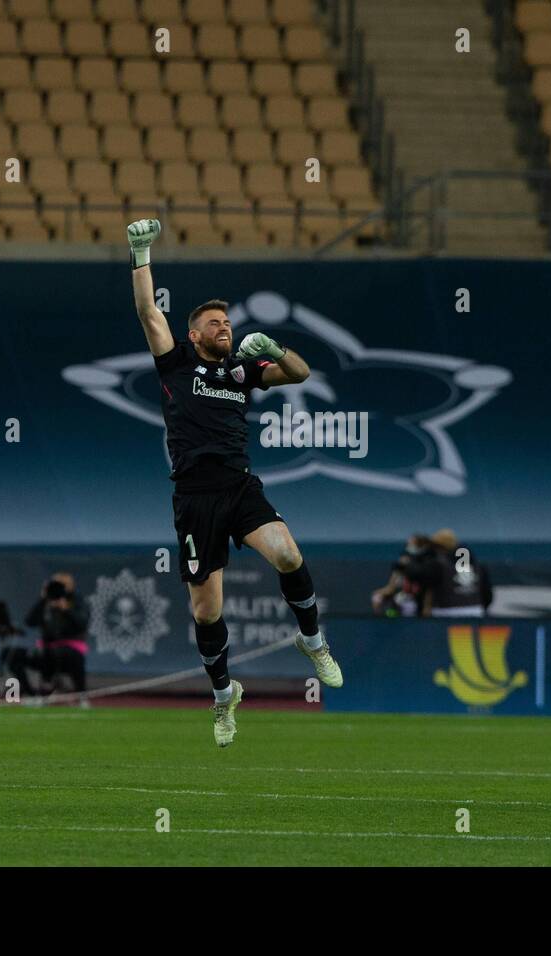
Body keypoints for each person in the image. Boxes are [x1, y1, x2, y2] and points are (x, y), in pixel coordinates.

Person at [126, 218, 343, 747]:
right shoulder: (176, 362)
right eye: (215, 323)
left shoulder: (240, 372)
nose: (226, 327)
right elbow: (148, 311)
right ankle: (224, 700)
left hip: (240, 487)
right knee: (208, 610)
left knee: (288, 554)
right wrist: (141, 253)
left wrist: (273, 345)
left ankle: (312, 641)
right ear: (195, 333)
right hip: (194, 497)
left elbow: (301, 374)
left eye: (229, 322)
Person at [24, 573, 90, 693]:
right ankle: (33, 693)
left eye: (63, 585)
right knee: (15, 656)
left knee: (58, 654)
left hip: (71, 649)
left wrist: (66, 609)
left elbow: (82, 623)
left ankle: (81, 694)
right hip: (47, 648)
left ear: (70, 586)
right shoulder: (46, 602)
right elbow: (29, 621)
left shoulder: (77, 601)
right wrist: (42, 599)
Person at [419, 529, 493, 617]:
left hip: (445, 613)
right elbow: (487, 594)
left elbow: (423, 585)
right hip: (475, 611)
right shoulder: (477, 565)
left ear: (440, 547)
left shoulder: (437, 565)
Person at [371, 534, 435, 617]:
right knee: (379, 598)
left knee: (408, 605)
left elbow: (428, 589)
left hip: (418, 599)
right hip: (402, 597)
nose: (409, 546)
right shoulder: (399, 566)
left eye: (412, 544)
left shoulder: (427, 564)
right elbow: (391, 587)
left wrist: (426, 605)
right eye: (408, 544)